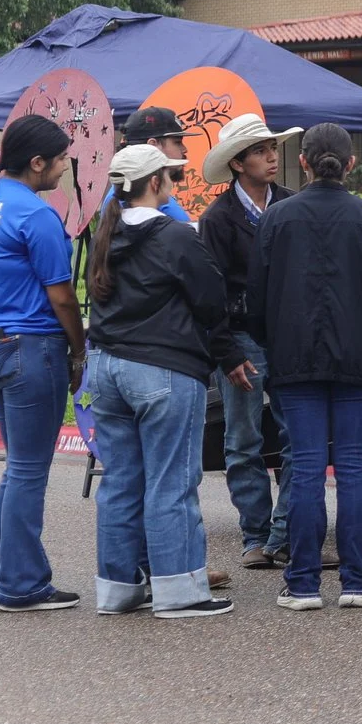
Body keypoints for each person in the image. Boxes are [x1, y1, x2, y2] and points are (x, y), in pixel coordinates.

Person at [83, 144, 248, 617]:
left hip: (108, 367)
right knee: (171, 481)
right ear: (155, 182)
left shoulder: (105, 234)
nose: (172, 182)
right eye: (169, 176)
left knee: (121, 481)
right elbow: (211, 299)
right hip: (164, 368)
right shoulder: (174, 236)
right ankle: (179, 591)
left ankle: (117, 590)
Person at [250, 124, 362, 611]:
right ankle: (358, 580)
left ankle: (302, 583)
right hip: (358, 359)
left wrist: (272, 345)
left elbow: (257, 300)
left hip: (294, 360)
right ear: (351, 165)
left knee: (308, 469)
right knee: (353, 469)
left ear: (304, 163)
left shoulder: (276, 219)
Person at [0, 114, 87, 613]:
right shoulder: (36, 215)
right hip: (30, 350)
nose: (63, 169)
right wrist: (79, 350)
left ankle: (4, 577)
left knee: (18, 470)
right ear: (36, 163)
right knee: (29, 472)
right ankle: (22, 584)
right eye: (60, 160)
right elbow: (61, 298)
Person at [197, 112, 302, 571]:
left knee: (301, 436)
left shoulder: (293, 205)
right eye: (260, 151)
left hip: (290, 337)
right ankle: (255, 536)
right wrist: (228, 352)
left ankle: (283, 533)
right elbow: (211, 295)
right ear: (237, 164)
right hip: (241, 338)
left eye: (271, 148)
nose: (270, 157)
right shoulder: (217, 220)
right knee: (243, 440)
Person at [115, 106, 194, 222]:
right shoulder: (151, 199)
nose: (184, 149)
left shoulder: (124, 191)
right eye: (177, 142)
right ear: (153, 145)